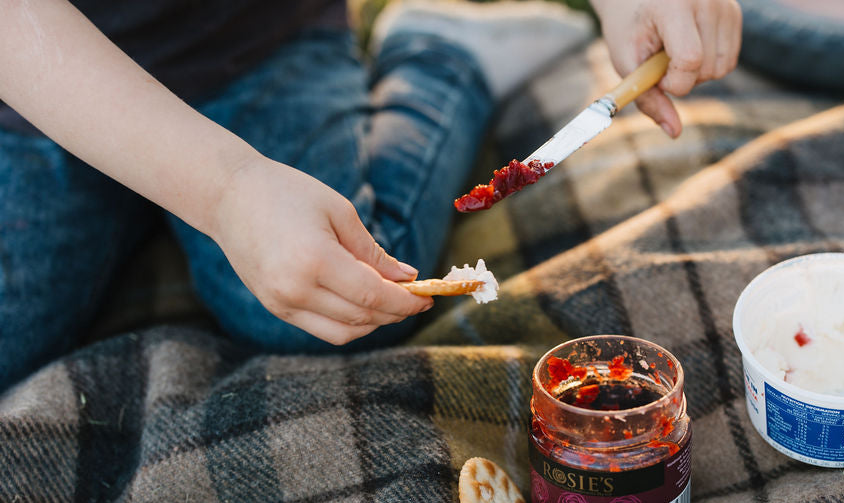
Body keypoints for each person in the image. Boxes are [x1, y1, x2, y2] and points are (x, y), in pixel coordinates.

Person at [0, 0, 743, 391]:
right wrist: (222, 189)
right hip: (34, 81)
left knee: (353, 279)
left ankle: (440, 55)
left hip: (249, 47)